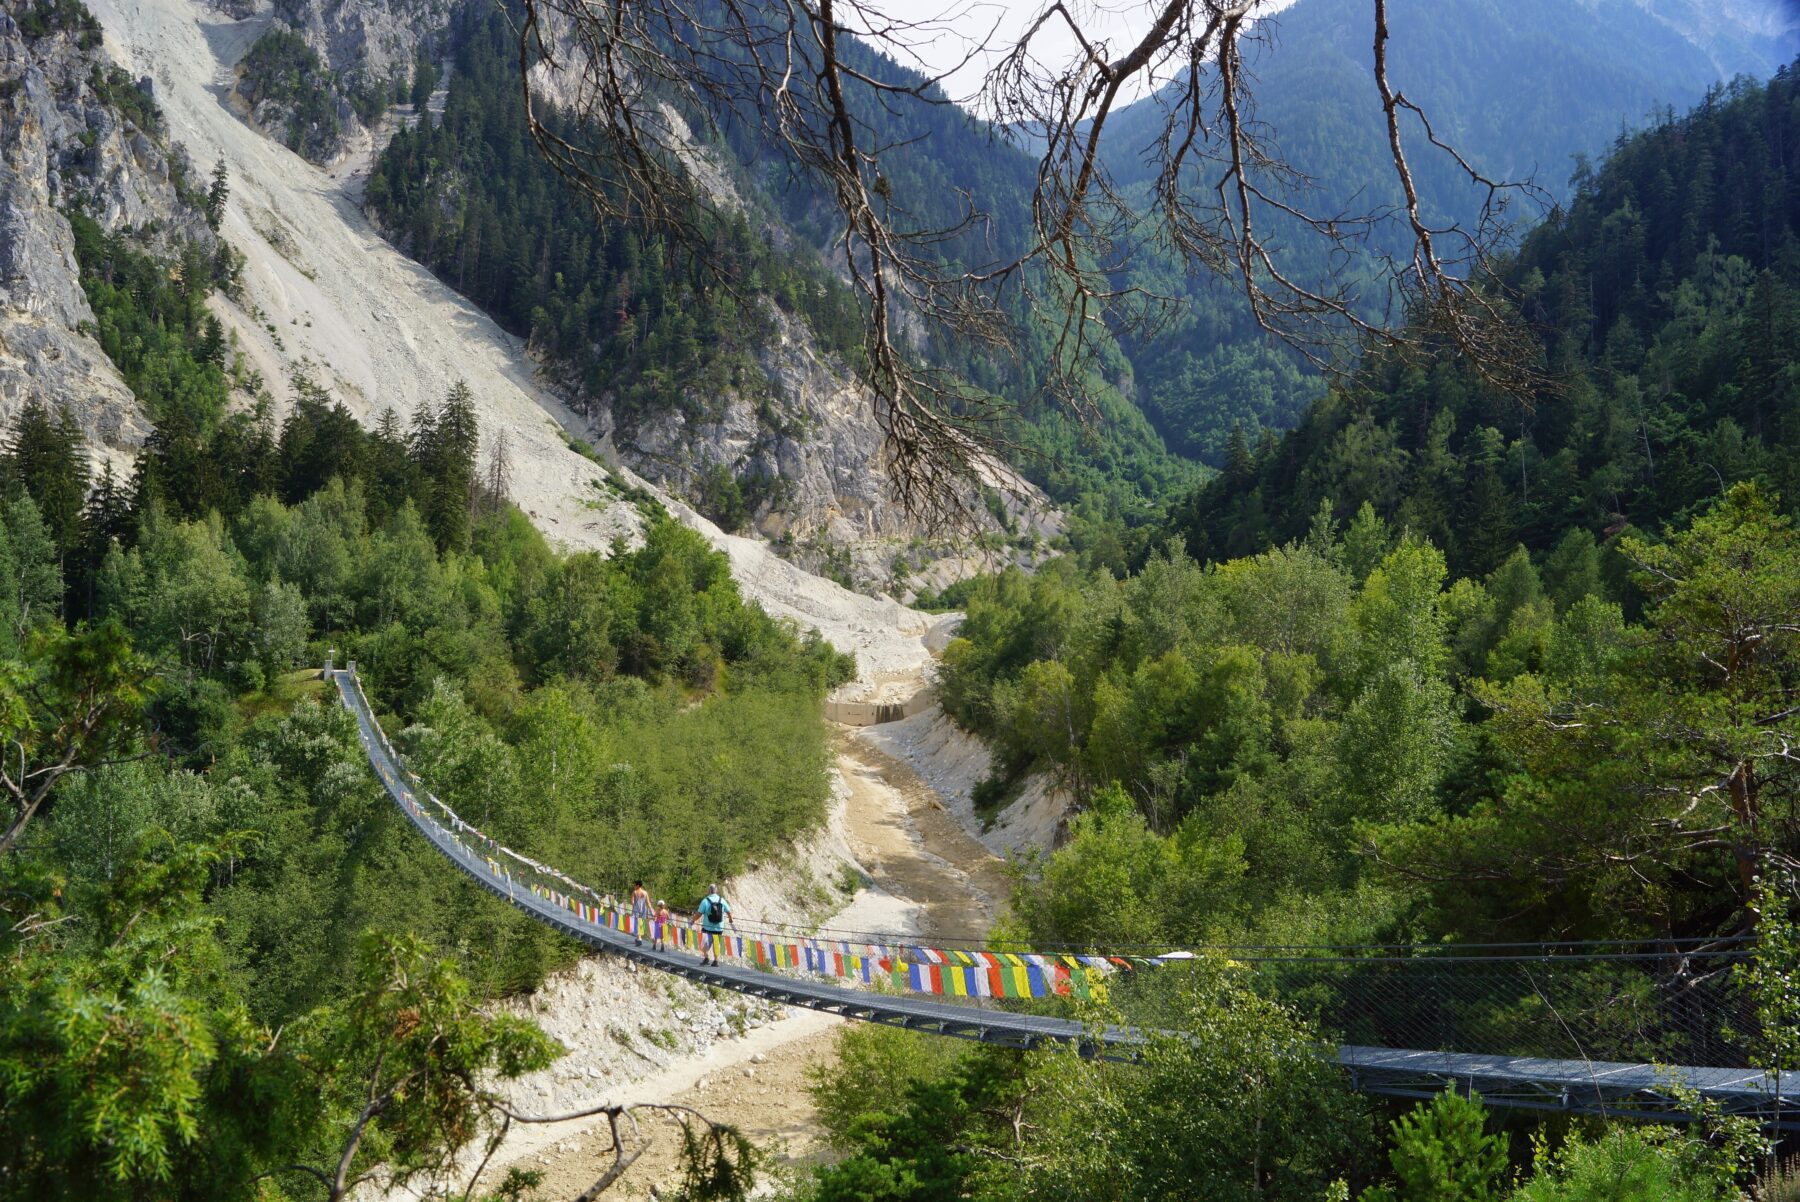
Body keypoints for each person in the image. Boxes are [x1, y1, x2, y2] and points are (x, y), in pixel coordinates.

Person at [692, 883, 733, 966]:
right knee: (716, 944)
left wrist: (693, 920)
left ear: (708, 891)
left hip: (707, 927)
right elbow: (729, 911)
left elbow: (699, 914)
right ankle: (716, 961)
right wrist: (730, 919)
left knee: (704, 943)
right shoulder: (722, 900)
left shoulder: (705, 901)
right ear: (716, 890)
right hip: (719, 928)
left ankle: (706, 958)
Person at [630, 880, 651, 947]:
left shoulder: (635, 892)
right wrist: (651, 909)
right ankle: (638, 938)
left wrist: (634, 905)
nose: (634, 886)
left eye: (635, 885)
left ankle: (639, 938)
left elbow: (632, 901)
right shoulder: (645, 892)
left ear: (638, 885)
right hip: (643, 910)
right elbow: (648, 902)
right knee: (641, 923)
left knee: (637, 923)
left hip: (636, 910)